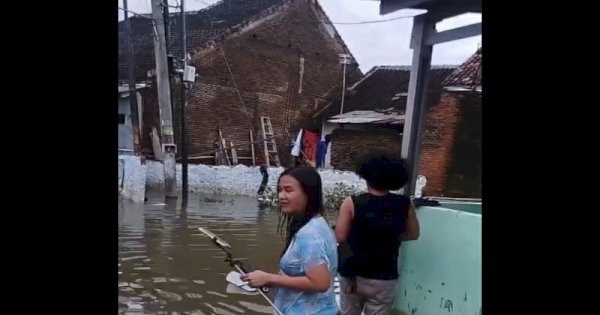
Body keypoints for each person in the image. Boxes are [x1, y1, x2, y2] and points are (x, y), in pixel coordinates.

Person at [242, 166, 339, 315]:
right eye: (280, 190)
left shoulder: (309, 234)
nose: (281, 196)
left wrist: (269, 278)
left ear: (308, 193)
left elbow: (320, 283)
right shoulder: (316, 223)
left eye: (288, 190)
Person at [335, 152, 420, 315]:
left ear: (366, 176)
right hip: (384, 274)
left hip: (352, 272)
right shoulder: (404, 204)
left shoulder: (352, 203)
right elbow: (413, 234)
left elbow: (340, 236)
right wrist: (390, 235)